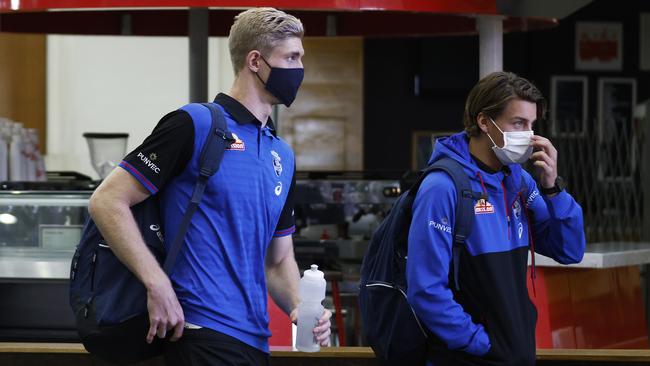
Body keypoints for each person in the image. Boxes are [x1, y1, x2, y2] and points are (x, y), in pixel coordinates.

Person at [88, 7, 331, 366]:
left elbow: (278, 261)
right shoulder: (196, 124)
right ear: (255, 61)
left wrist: (301, 307)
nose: (299, 69)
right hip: (199, 331)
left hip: (253, 338)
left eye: (301, 58)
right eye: (291, 57)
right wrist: (158, 285)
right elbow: (107, 200)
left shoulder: (282, 154)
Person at [406, 71, 586, 366]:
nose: (529, 135)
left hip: (513, 355)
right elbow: (426, 290)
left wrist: (553, 188)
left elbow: (568, 250)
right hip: (468, 358)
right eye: (519, 123)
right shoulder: (442, 187)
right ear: (484, 121)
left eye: (532, 125)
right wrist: (482, 345)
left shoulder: (519, 181)